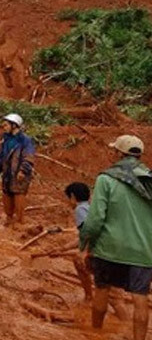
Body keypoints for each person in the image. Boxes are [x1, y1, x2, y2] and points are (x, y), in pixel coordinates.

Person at [79, 135, 152, 340]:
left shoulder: (106, 179)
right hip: (143, 251)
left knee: (102, 290)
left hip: (108, 249)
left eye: (114, 151)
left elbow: (95, 220)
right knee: (140, 298)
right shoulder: (149, 179)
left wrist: (84, 242)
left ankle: (95, 333)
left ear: (119, 154)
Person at [0, 113, 36, 228]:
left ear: (14, 125)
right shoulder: (5, 140)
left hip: (19, 173)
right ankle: (9, 218)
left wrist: (23, 170)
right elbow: (1, 156)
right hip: (7, 173)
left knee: (18, 195)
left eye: (6, 125)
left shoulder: (25, 140)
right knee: (7, 194)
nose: (4, 127)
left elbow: (29, 156)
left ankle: (20, 220)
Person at [64, 182, 95, 301]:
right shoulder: (89, 207)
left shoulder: (80, 210)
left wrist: (83, 253)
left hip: (102, 250)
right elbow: (83, 236)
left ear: (72, 196)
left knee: (78, 261)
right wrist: (64, 248)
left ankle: (89, 296)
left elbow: (87, 233)